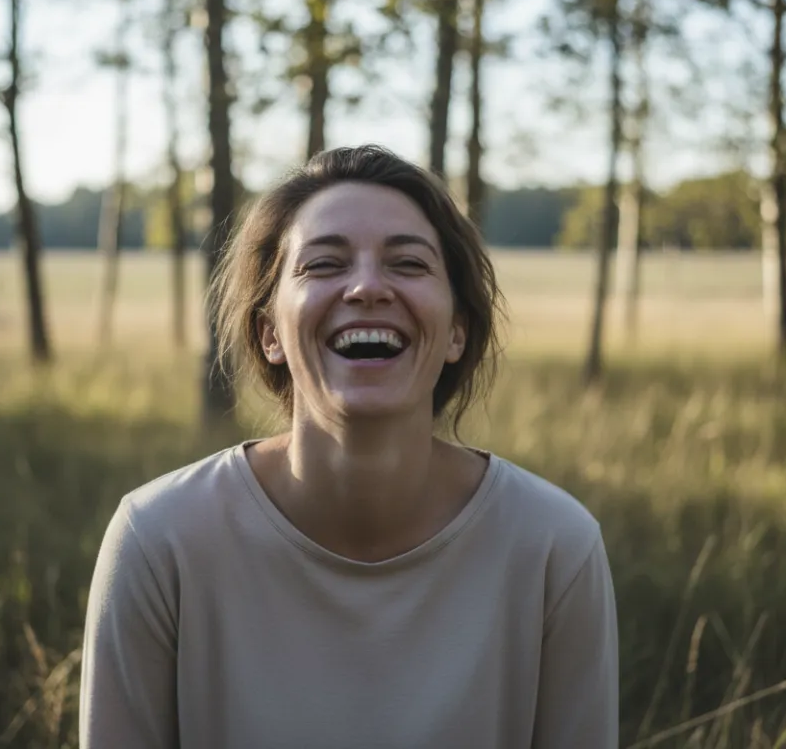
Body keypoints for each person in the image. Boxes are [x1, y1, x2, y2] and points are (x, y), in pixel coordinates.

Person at [79, 145, 619, 748]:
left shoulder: (554, 547)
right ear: (269, 333)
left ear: (457, 333)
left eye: (409, 264)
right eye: (325, 264)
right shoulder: (158, 541)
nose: (366, 287)